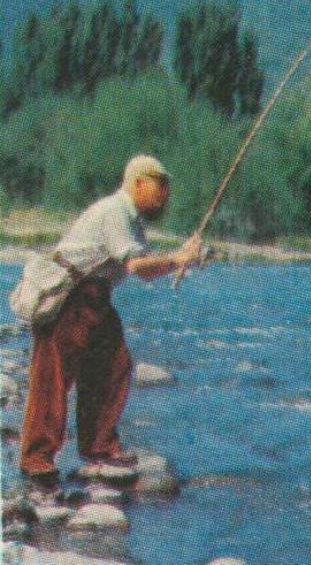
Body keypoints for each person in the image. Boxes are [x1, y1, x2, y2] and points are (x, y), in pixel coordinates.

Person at [19, 154, 203, 490]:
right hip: (68, 295)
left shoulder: (133, 221)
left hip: (94, 297)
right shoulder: (115, 212)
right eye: (160, 186)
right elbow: (136, 267)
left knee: (115, 366)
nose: (165, 195)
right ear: (137, 183)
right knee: (53, 379)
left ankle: (99, 448)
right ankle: (36, 462)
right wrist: (179, 259)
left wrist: (182, 259)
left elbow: (147, 267)